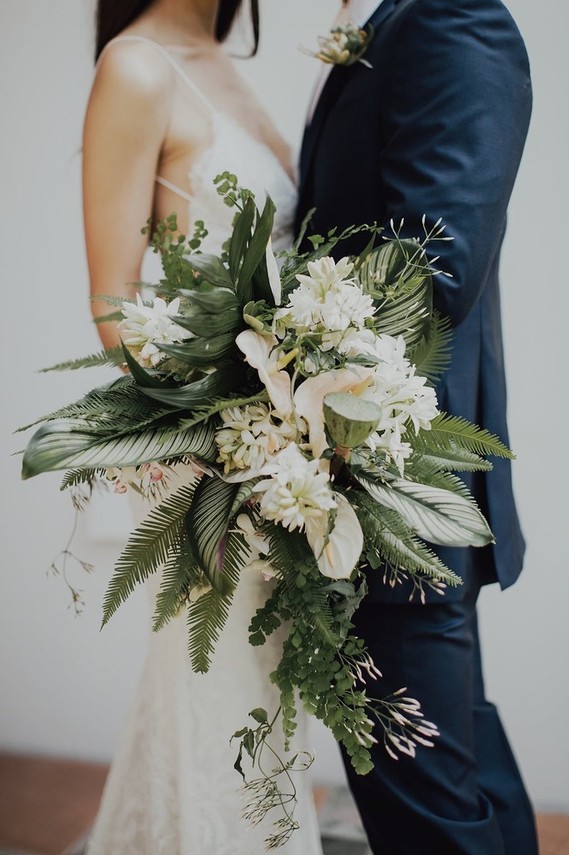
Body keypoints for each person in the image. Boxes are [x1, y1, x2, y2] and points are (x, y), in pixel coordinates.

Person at [296, 0, 538, 853]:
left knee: (427, 815)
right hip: (382, 494)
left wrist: (280, 369)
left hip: (394, 486)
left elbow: (431, 268)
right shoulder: (406, 18)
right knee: (453, 778)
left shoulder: (452, 17)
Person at [82, 1, 323, 852]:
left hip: (291, 458)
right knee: (222, 706)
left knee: (266, 708)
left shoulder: (219, 57)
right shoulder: (138, 66)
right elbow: (115, 301)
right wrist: (214, 434)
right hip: (222, 465)